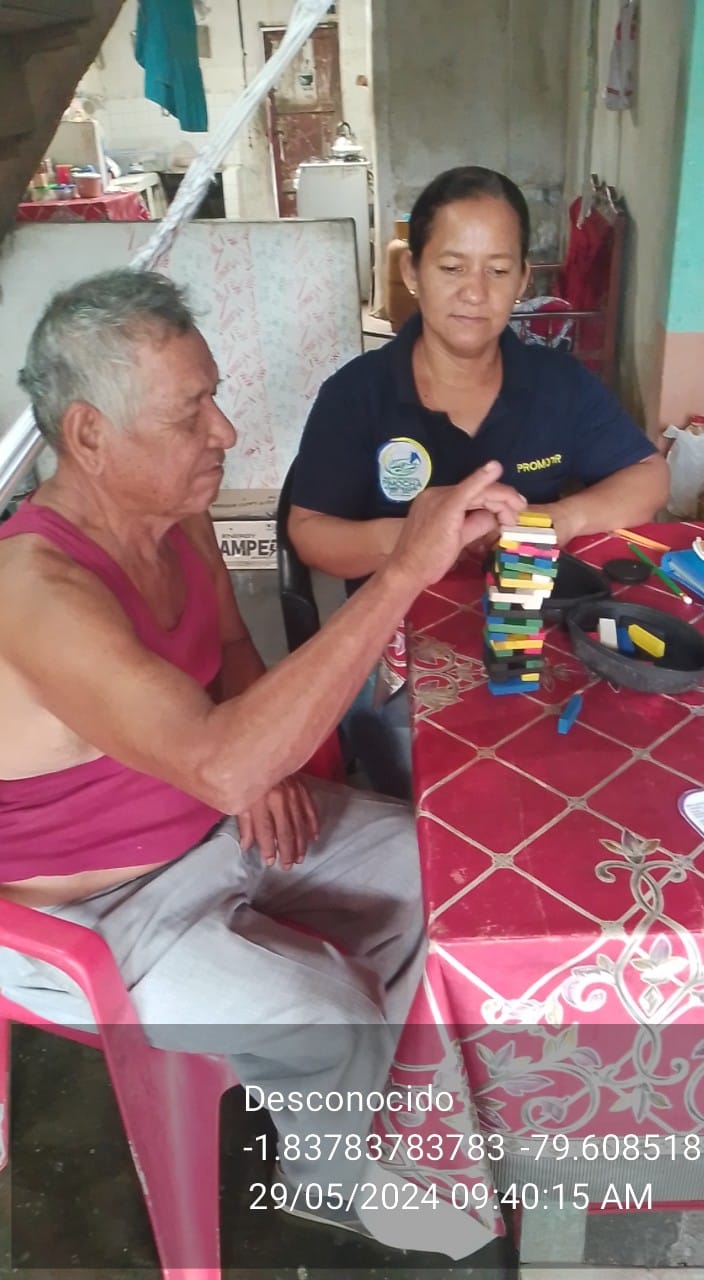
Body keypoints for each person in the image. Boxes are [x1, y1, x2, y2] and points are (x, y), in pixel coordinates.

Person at [0, 269, 525, 1255]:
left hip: (216, 814)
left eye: (215, 397)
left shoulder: (176, 517)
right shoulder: (35, 591)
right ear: (89, 435)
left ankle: (388, 1112)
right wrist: (404, 570)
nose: (226, 432)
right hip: (95, 911)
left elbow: (235, 656)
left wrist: (271, 765)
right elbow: (218, 759)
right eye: (189, 413)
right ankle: (330, 1182)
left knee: (447, 873)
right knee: (329, 1013)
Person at [289, 165, 669, 797]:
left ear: (523, 279)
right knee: (450, 790)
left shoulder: (558, 384)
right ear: (412, 271)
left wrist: (560, 519)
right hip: (397, 655)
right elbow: (310, 532)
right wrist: (418, 538)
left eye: (497, 270)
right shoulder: (356, 396)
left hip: (535, 635)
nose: (474, 292)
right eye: (451, 267)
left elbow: (649, 475)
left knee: (606, 764)